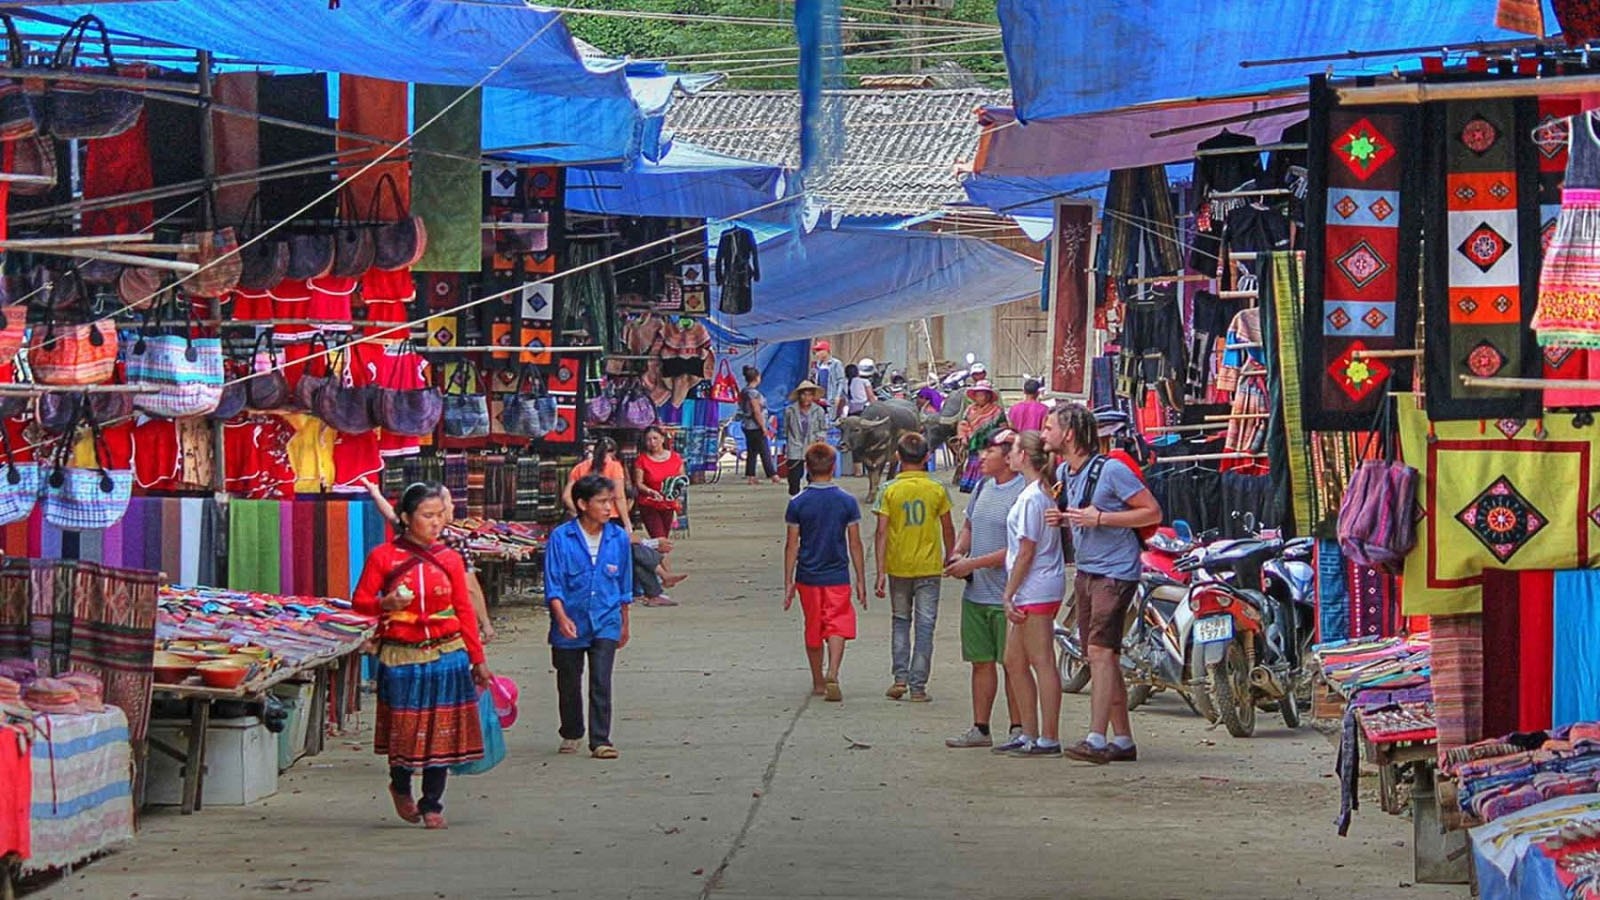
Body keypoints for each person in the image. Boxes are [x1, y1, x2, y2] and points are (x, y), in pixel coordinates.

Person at [352, 482, 492, 829]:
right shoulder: (382, 557)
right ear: (405, 518)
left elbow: (463, 610)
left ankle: (433, 803)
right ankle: (400, 785)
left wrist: (478, 659)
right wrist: (385, 604)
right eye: (427, 515)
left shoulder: (450, 558)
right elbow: (360, 603)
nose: (435, 523)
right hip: (401, 657)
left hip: (448, 655)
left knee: (441, 732)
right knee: (405, 730)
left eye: (439, 515)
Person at [1043, 402, 1163, 764]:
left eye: (1050, 427)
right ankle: (1122, 739)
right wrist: (1066, 519)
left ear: (1069, 433)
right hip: (1088, 570)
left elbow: (1152, 512)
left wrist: (1102, 518)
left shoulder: (1110, 470)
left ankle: (1097, 737)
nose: (1044, 432)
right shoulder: (1066, 470)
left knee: (1100, 653)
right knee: (1100, 655)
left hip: (1115, 572)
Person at [942, 429, 1028, 748]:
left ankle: (1019, 727)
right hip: (977, 592)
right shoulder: (981, 487)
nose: (981, 457)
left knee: (1014, 665)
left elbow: (1019, 549)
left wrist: (972, 564)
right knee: (981, 662)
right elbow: (969, 526)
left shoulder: (1025, 493)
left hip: (1009, 594)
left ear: (1008, 457)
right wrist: (958, 553)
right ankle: (981, 727)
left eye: (987, 452)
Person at [544, 474, 633, 759]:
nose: (609, 508)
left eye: (610, 501)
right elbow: (553, 582)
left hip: (606, 618)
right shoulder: (561, 537)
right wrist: (560, 617)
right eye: (602, 502)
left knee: (601, 680)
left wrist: (624, 623)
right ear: (583, 504)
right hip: (570, 620)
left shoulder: (618, 538)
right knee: (568, 680)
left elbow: (624, 585)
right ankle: (571, 730)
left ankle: (601, 739)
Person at [993, 430, 1066, 757]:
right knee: (1015, 660)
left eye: (1014, 449)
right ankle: (1029, 731)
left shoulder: (1032, 498)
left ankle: (1047, 735)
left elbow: (1025, 551)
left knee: (1040, 660)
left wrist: (1008, 593)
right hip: (1034, 585)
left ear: (1025, 456)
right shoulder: (1038, 494)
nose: (1009, 454)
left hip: (1034, 585)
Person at [873, 433, 954, 703]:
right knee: (925, 625)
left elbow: (881, 532)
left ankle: (900, 678)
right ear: (927, 458)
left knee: (900, 621)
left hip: (898, 567)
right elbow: (947, 527)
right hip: (929, 567)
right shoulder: (937, 489)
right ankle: (918, 687)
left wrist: (880, 570)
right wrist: (950, 556)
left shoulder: (889, 490)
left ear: (897, 456)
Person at [362, 479, 495, 643]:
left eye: (440, 513)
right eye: (429, 514)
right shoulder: (453, 541)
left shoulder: (417, 532)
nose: (452, 507)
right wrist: (485, 623)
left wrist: (376, 494)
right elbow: (471, 589)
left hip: (439, 643)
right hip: (412, 645)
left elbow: (464, 604)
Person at [783, 442, 866, 702]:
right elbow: (855, 542)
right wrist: (861, 579)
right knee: (837, 622)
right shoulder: (847, 501)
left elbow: (791, 545)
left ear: (807, 467)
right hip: (837, 574)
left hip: (808, 576)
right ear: (833, 467)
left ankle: (818, 681)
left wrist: (788, 581)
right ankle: (833, 670)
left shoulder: (798, 503)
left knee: (813, 626)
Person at [564, 436, 634, 532]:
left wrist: (580, 512)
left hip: (586, 518)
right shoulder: (615, 467)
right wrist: (627, 522)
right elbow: (619, 497)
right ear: (614, 452)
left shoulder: (579, 467)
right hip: (610, 518)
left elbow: (566, 497)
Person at [634, 425, 685, 541]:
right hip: (649, 503)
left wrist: (674, 492)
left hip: (668, 504)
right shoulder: (642, 460)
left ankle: (659, 558)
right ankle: (661, 558)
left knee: (664, 538)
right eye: (648, 439)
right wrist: (650, 492)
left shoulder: (675, 458)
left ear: (662, 439)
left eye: (655, 438)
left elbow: (682, 479)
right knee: (659, 537)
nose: (652, 442)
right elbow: (639, 483)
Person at [955, 380, 1008, 494]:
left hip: (989, 446)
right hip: (973, 446)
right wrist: (963, 437)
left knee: (987, 471)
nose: (979, 397)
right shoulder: (970, 410)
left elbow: (1003, 428)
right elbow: (963, 424)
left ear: (988, 396)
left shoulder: (997, 411)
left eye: (982, 394)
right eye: (977, 394)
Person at [783, 379, 830, 496]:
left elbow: (823, 428)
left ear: (813, 396)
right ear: (799, 395)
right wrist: (787, 445)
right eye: (804, 394)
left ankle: (811, 498)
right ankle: (794, 499)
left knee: (813, 476)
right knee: (794, 477)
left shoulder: (818, 411)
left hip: (812, 446)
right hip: (795, 445)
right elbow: (785, 429)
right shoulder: (790, 411)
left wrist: (820, 437)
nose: (806, 397)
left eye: (809, 395)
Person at [738, 365, 780, 485]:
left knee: (752, 450)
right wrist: (762, 426)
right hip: (755, 425)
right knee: (764, 450)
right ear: (757, 378)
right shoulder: (753, 393)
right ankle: (773, 474)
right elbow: (756, 411)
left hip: (747, 425)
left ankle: (751, 475)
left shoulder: (744, 391)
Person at [812, 340, 846, 419]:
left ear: (826, 351)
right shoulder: (819, 365)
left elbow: (841, 381)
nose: (817, 354)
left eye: (819, 351)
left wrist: (838, 396)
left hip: (832, 396)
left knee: (832, 417)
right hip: (821, 397)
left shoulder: (836, 363)